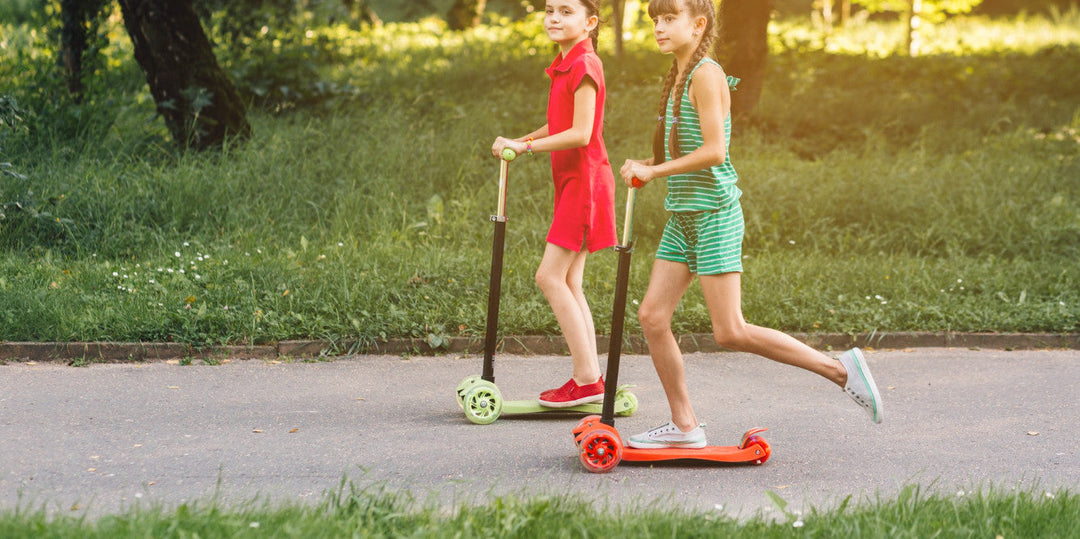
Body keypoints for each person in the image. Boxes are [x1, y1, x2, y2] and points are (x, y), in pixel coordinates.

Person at [618, 0, 883, 449]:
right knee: (652, 316)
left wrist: (656, 173)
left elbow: (716, 153)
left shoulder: (706, 74)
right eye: (655, 20)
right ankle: (685, 427)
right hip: (684, 216)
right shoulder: (680, 75)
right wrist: (649, 164)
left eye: (669, 19)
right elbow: (686, 152)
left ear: (698, 24)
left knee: (731, 331)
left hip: (714, 215)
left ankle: (840, 370)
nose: (659, 28)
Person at [491, 0, 617, 407]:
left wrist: (524, 150)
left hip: (585, 184)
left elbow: (581, 133)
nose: (555, 18)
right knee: (569, 281)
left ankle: (585, 380)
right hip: (573, 182)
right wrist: (521, 141)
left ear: (590, 22)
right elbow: (560, 125)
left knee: (549, 277)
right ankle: (591, 377)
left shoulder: (584, 64)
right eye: (549, 10)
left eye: (566, 11)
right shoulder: (566, 62)